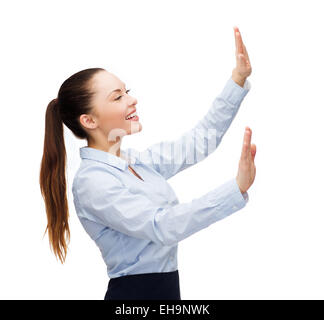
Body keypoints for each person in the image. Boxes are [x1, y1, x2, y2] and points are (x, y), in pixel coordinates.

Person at [39, 26, 256, 300]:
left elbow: (199, 142)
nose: (132, 99)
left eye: (126, 91)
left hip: (166, 292)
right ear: (89, 121)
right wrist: (235, 188)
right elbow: (161, 226)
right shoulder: (93, 182)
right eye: (117, 97)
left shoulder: (136, 163)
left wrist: (237, 79)